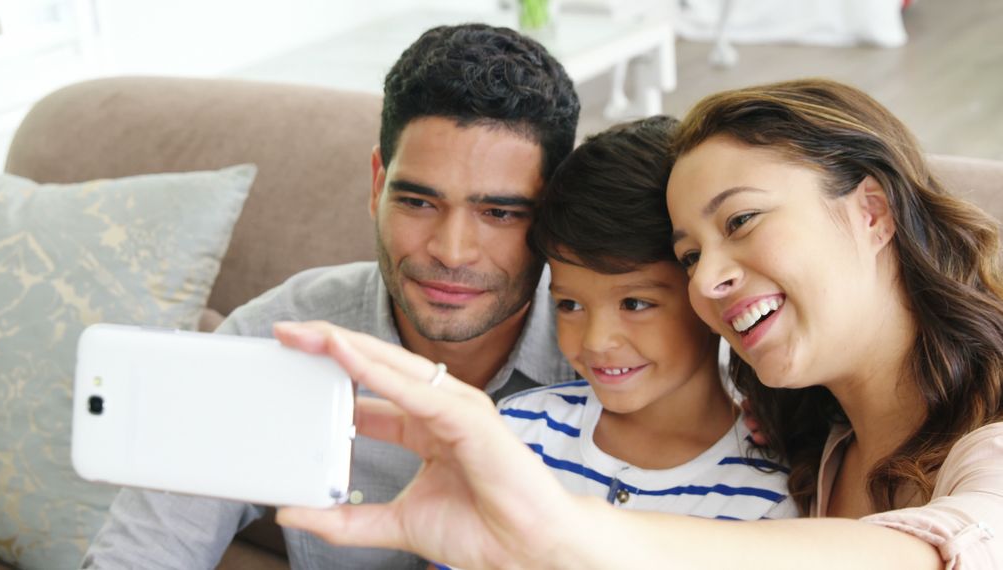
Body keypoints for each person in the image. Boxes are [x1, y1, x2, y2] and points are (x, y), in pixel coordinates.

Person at [271, 78, 1003, 569]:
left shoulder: (988, 434)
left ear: (870, 211)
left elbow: (946, 548)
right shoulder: (815, 447)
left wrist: (559, 532)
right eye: (689, 254)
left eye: (742, 220)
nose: (708, 280)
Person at [81, 23, 580, 570]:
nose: (453, 251)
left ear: (551, 214)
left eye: (500, 213)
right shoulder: (280, 337)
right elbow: (140, 552)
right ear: (376, 186)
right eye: (418, 202)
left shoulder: (614, 357)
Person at [499, 115, 795, 520]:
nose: (596, 342)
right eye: (570, 305)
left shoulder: (772, 490)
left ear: (706, 293)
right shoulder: (516, 433)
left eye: (635, 304)